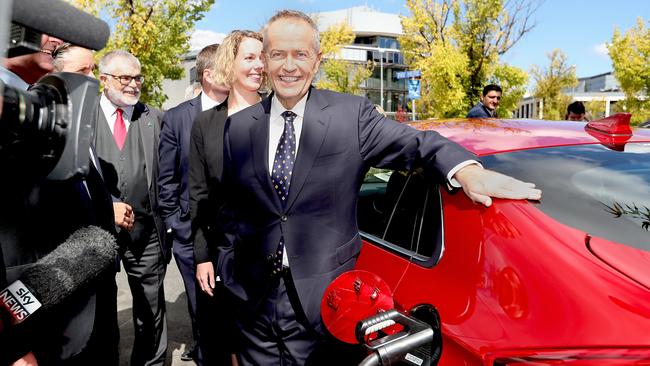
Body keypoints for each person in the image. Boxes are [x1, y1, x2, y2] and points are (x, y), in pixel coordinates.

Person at [216, 10, 541, 365]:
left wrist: (466, 171)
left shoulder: (350, 116)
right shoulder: (238, 128)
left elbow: (418, 144)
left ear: (318, 59)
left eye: (301, 54)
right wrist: (230, 274)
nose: (289, 66)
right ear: (264, 60)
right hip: (252, 305)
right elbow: (231, 212)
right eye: (278, 54)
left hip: (325, 308)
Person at [1, 41, 119, 365]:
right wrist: (12, 346)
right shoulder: (14, 123)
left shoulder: (78, 121)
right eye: (83, 72)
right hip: (42, 332)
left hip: (99, 312)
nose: (93, 80)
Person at [188, 29, 264, 366]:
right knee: (229, 346)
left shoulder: (283, 116)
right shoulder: (205, 124)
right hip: (225, 258)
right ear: (228, 64)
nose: (259, 65)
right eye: (249, 57)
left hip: (273, 259)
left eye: (263, 57)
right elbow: (198, 194)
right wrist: (202, 256)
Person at [94, 50, 168, 366]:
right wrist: (104, 206)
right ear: (104, 80)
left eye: (138, 77)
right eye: (125, 77)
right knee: (100, 312)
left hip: (147, 232)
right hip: (97, 232)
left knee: (151, 307)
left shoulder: (156, 118)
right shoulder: (84, 120)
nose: (133, 84)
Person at [157, 43, 227, 364]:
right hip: (191, 234)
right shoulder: (176, 119)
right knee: (202, 308)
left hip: (237, 236)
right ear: (209, 74)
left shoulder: (250, 111)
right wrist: (177, 224)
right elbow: (166, 180)